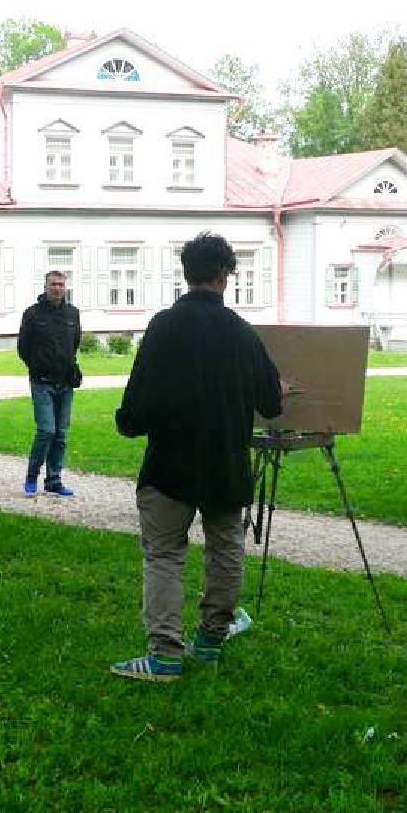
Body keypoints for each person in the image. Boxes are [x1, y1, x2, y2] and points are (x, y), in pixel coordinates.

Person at [110, 233, 284, 682]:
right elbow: (272, 404)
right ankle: (210, 639)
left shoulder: (164, 326)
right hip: (226, 463)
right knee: (225, 550)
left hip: (170, 464)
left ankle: (165, 655)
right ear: (226, 275)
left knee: (164, 555)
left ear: (186, 273)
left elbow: (135, 410)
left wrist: (128, 420)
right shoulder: (243, 333)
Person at [16, 270, 83, 498]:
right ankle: (31, 477)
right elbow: (23, 348)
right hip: (42, 382)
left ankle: (54, 481)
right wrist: (38, 366)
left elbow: (74, 344)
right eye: (53, 284)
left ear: (65, 287)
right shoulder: (32, 314)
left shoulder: (72, 313)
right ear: (45, 287)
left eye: (61, 284)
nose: (57, 288)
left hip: (65, 383)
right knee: (46, 430)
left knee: (61, 435)